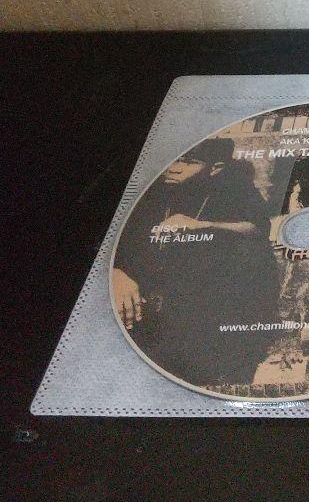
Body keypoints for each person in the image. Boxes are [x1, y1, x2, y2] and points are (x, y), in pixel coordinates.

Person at [111, 138, 280, 388]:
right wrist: (117, 272)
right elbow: (115, 241)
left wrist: (201, 225)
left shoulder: (234, 186)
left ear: (215, 168)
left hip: (204, 307)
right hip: (144, 302)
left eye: (189, 162)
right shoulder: (150, 187)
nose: (174, 168)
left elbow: (257, 228)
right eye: (174, 159)